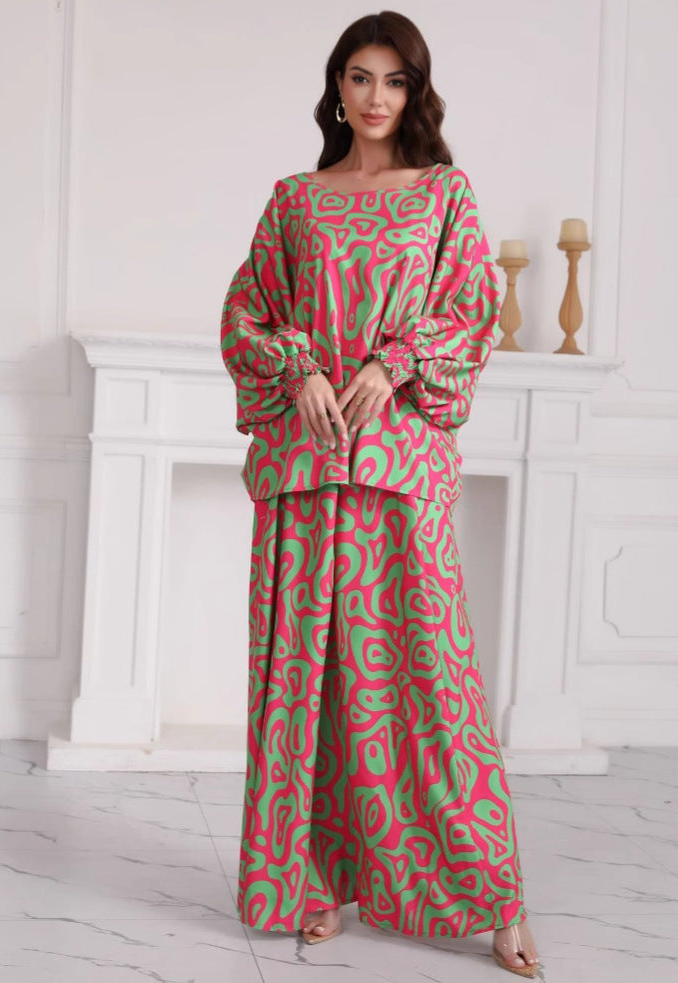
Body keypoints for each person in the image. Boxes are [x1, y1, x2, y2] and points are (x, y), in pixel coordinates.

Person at [219, 10, 540, 979]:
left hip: (399, 469)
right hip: (308, 468)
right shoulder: (294, 201)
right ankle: (312, 881)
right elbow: (245, 313)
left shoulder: (442, 194)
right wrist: (299, 370)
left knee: (430, 683)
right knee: (306, 684)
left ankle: (495, 899)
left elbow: (472, 308)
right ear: (336, 86)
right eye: (358, 77)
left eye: (393, 80)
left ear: (415, 92)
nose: (374, 97)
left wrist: (391, 360)